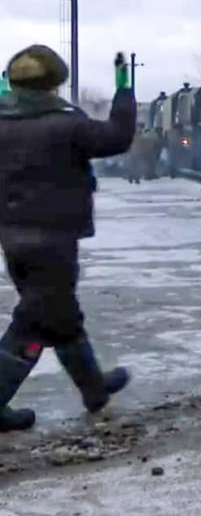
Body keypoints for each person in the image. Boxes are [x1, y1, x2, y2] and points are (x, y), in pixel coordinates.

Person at [0, 46, 136, 432]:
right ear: (54, 85)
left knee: (62, 317)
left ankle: (94, 388)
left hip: (12, 239)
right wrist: (124, 90)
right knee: (33, 324)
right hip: (53, 242)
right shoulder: (66, 123)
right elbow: (117, 138)